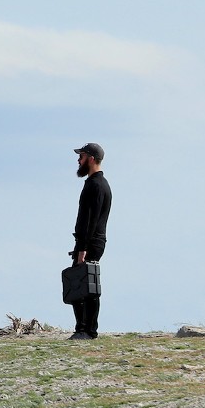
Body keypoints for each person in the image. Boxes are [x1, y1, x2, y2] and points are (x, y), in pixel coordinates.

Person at [69, 142, 111, 340]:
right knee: (80, 283)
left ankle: (87, 330)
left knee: (86, 286)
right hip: (89, 241)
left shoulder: (96, 185)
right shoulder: (95, 183)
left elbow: (91, 219)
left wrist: (83, 248)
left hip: (90, 242)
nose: (79, 160)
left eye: (82, 156)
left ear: (91, 159)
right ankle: (84, 329)